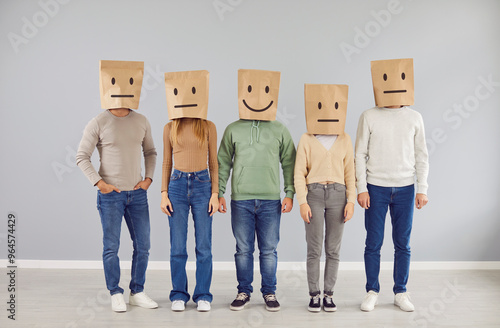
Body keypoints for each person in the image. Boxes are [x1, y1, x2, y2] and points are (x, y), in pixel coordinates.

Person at [76, 60, 158, 312]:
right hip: (111, 195)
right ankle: (115, 292)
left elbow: (151, 152)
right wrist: (100, 183)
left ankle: (138, 291)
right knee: (111, 246)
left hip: (138, 194)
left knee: (143, 245)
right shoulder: (98, 121)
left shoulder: (142, 120)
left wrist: (148, 180)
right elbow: (81, 156)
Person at [218, 69, 296, 312]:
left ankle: (270, 292)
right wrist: (219, 192)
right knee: (243, 249)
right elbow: (223, 163)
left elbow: (289, 162)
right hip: (241, 199)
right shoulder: (232, 129)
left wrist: (290, 193)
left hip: (271, 199)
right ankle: (244, 291)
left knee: (269, 249)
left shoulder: (280, 129)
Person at [356, 58, 429, 312]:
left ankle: (401, 292)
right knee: (373, 242)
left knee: (403, 243)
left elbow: (422, 155)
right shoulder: (368, 116)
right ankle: (372, 290)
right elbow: (359, 154)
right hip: (375, 187)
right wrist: (361, 188)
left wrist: (423, 189)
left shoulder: (414, 117)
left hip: (406, 188)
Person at [161, 70, 218, 312]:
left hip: (203, 185)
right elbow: (166, 162)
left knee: (204, 245)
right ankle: (179, 294)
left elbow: (214, 162)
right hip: (176, 185)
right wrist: (163, 192)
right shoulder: (169, 127)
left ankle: (203, 294)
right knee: (177, 246)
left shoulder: (207, 126)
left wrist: (215, 193)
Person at [294, 84, 355, 312]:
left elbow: (350, 172)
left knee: (333, 249)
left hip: (339, 194)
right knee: (314, 248)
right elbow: (299, 172)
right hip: (314, 194)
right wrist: (302, 201)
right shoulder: (307, 138)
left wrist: (350, 200)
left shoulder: (345, 138)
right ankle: (314, 294)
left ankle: (329, 294)